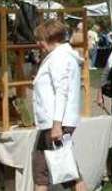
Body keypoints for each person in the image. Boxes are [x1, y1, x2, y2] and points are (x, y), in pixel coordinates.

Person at [32, 20, 86, 191]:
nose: (38, 44)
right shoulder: (60, 56)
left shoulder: (59, 57)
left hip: (56, 123)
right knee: (45, 171)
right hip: (52, 123)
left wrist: (57, 125)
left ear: (50, 38)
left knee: (67, 173)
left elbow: (61, 92)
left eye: (40, 39)